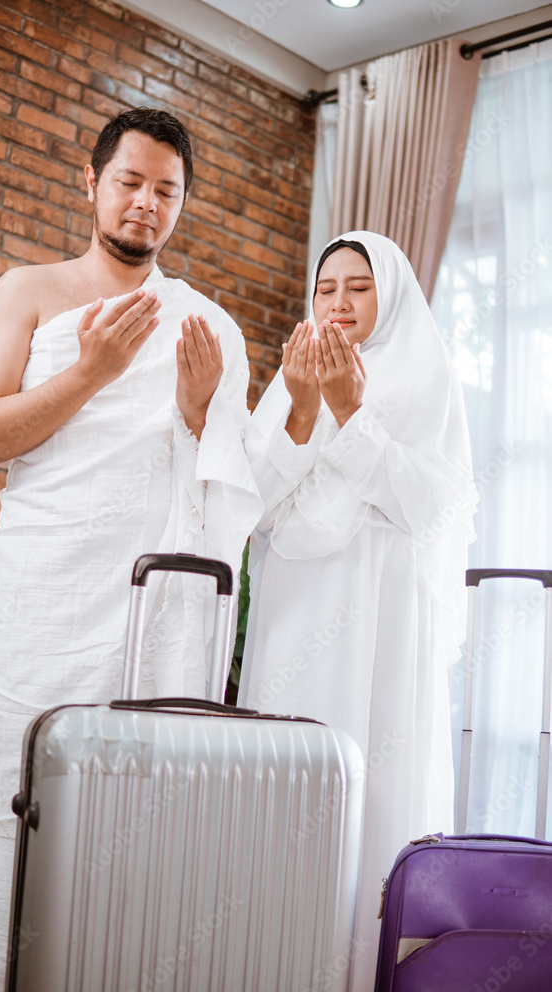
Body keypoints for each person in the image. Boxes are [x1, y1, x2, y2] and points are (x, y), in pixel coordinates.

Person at [0, 107, 261, 992]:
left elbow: (229, 488)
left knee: (140, 815)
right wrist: (89, 373)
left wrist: (203, 412)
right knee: (27, 806)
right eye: (130, 182)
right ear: (91, 182)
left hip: (152, 606)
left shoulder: (206, 324)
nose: (145, 204)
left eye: (167, 191)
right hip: (48, 595)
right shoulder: (28, 292)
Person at [237, 231, 477, 990]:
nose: (337, 302)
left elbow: (430, 505)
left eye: (358, 287)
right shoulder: (288, 381)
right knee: (288, 794)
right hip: (294, 617)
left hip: (383, 622)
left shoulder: (425, 380)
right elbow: (253, 505)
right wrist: (305, 409)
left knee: (373, 790)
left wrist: (354, 411)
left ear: (392, 294)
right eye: (326, 287)